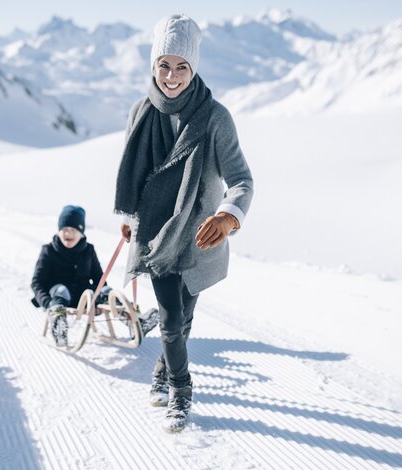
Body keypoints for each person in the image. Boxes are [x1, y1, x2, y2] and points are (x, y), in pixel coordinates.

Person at [114, 14, 254, 433]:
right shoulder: (140, 111)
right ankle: (181, 389)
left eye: (181, 67)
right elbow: (132, 172)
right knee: (172, 319)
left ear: (193, 69)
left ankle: (161, 370)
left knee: (184, 318)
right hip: (155, 236)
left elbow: (242, 179)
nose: (171, 76)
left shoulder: (214, 117)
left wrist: (228, 216)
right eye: (164, 65)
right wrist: (128, 218)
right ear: (153, 65)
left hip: (198, 237)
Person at [30, 205, 104, 346]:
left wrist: (100, 297)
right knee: (61, 290)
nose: (67, 234)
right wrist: (46, 303)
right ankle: (59, 325)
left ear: (81, 232)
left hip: (83, 296)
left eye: (72, 230)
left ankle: (133, 319)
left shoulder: (88, 250)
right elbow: (37, 283)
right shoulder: (49, 251)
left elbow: (99, 278)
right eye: (64, 230)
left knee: (106, 291)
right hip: (58, 298)